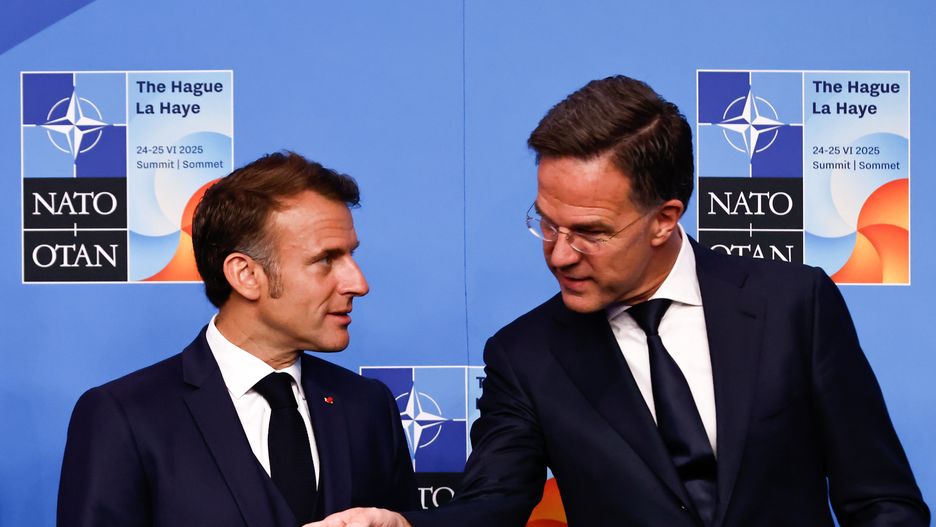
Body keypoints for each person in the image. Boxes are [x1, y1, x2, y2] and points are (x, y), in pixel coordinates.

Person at [309, 76, 929, 527]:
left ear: (664, 219)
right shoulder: (526, 355)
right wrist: (406, 526)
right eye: (547, 223)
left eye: (591, 232)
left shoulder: (794, 304)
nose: (559, 254)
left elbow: (881, 498)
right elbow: (493, 504)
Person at [58, 152, 417, 527]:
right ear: (245, 275)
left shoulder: (368, 406)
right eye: (326, 259)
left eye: (350, 255)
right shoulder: (124, 417)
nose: (358, 283)